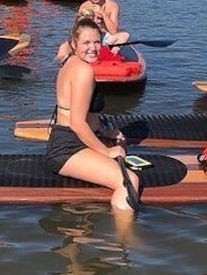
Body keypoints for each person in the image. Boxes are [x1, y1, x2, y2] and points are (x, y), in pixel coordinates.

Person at [45, 18, 138, 212]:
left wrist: (105, 131)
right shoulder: (83, 71)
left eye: (97, 42)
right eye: (86, 43)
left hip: (69, 138)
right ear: (74, 44)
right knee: (128, 182)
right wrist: (106, 152)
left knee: (121, 143)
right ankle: (124, 239)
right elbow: (78, 123)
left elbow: (78, 112)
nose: (93, 48)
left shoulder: (70, 61)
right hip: (68, 148)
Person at [55, 0, 130, 61]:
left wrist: (103, 14)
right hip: (88, 38)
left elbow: (114, 32)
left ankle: (112, 54)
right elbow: (77, 29)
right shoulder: (84, 6)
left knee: (125, 35)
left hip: (104, 38)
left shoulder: (112, 6)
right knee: (63, 48)